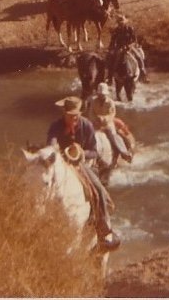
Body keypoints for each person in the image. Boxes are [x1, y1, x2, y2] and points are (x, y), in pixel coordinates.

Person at [47, 95, 120, 249]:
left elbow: (94, 152)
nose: (73, 118)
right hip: (61, 164)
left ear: (80, 114)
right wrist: (55, 149)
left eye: (76, 115)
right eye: (70, 116)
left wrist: (81, 153)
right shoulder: (55, 126)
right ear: (64, 113)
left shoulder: (86, 125)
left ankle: (104, 228)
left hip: (82, 165)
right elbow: (51, 142)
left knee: (99, 189)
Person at [87, 83, 133, 163]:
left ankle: (124, 152)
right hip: (96, 123)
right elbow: (91, 113)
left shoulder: (110, 102)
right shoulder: (94, 101)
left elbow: (112, 114)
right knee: (89, 134)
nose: (101, 96)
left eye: (103, 94)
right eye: (100, 94)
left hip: (107, 124)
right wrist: (95, 120)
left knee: (113, 135)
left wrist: (104, 119)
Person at [107, 14, 149, 83]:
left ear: (125, 22)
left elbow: (134, 40)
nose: (121, 23)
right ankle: (110, 77)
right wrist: (111, 48)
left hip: (130, 47)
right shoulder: (116, 30)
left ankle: (143, 73)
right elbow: (113, 41)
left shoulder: (130, 29)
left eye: (122, 22)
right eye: (119, 22)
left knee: (138, 57)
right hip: (119, 48)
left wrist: (129, 46)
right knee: (112, 58)